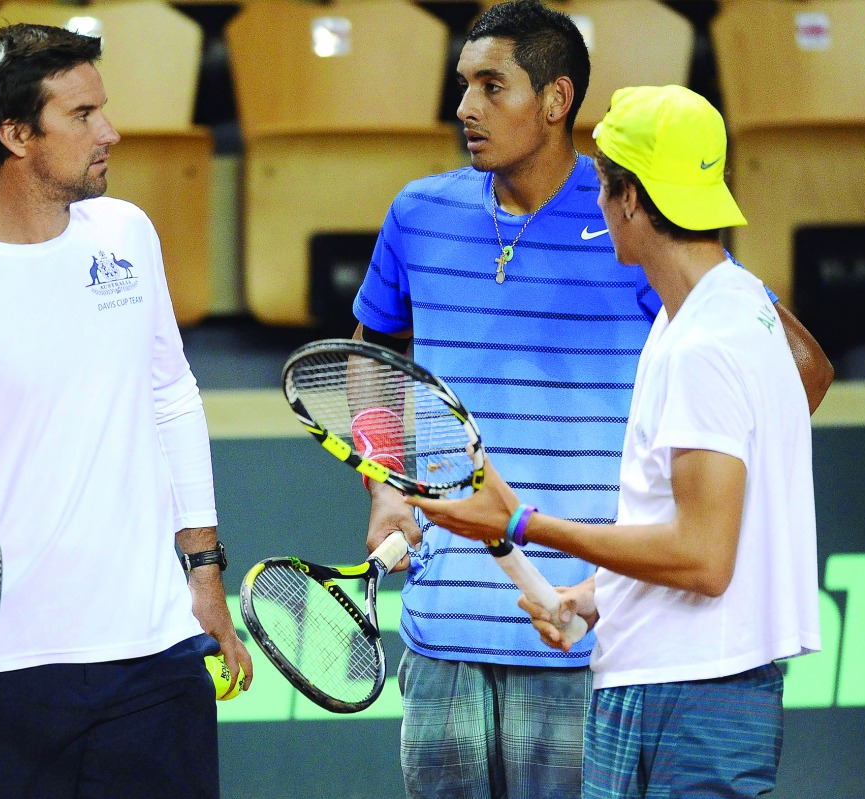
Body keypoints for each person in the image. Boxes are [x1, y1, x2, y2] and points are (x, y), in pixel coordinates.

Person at [349, 2, 831, 797]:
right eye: (462, 84)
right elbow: (369, 353)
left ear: (555, 100)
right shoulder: (417, 215)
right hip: (444, 632)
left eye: (490, 86)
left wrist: (706, 482)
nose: (464, 108)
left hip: (583, 632)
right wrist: (384, 483)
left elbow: (793, 370)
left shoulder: (639, 225)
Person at [0, 24, 251, 799]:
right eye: (84, 115)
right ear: (16, 134)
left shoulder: (127, 234)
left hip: (155, 659)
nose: (111, 132)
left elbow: (171, 396)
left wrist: (203, 571)